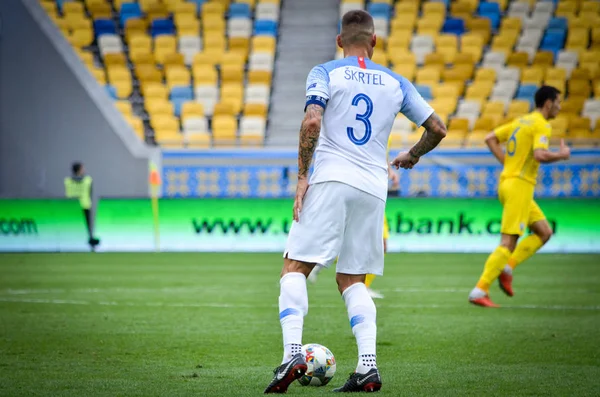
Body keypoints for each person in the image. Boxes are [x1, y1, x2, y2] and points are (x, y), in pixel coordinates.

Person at [264, 10, 447, 394]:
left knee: (294, 267)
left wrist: (302, 176)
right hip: (372, 187)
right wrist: (412, 155)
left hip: (331, 178)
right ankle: (368, 366)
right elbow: (437, 128)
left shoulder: (325, 72)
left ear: (339, 40)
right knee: (352, 278)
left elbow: (313, 121)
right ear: (375, 42)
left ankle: (292, 353)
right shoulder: (395, 81)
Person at [468, 86, 571, 308]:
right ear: (548, 103)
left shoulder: (521, 121)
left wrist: (508, 164)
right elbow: (540, 154)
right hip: (520, 187)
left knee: (544, 232)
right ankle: (480, 290)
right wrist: (561, 155)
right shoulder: (541, 124)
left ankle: (507, 267)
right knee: (508, 242)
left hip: (508, 183)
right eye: (558, 102)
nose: (560, 107)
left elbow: (490, 138)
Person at [306, 135, 399, 300]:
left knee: (369, 243)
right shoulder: (365, 126)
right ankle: (357, 284)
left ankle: (319, 263)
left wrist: (389, 171)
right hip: (364, 188)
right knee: (378, 243)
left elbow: (380, 155)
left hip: (372, 191)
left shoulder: (385, 126)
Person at [64, 162, 100, 251]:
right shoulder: (88, 180)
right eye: (82, 168)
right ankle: (89, 243)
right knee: (87, 227)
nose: (84, 170)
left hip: (72, 206)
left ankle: (78, 243)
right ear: (79, 169)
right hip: (85, 205)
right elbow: (89, 193)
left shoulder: (67, 180)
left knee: (74, 226)